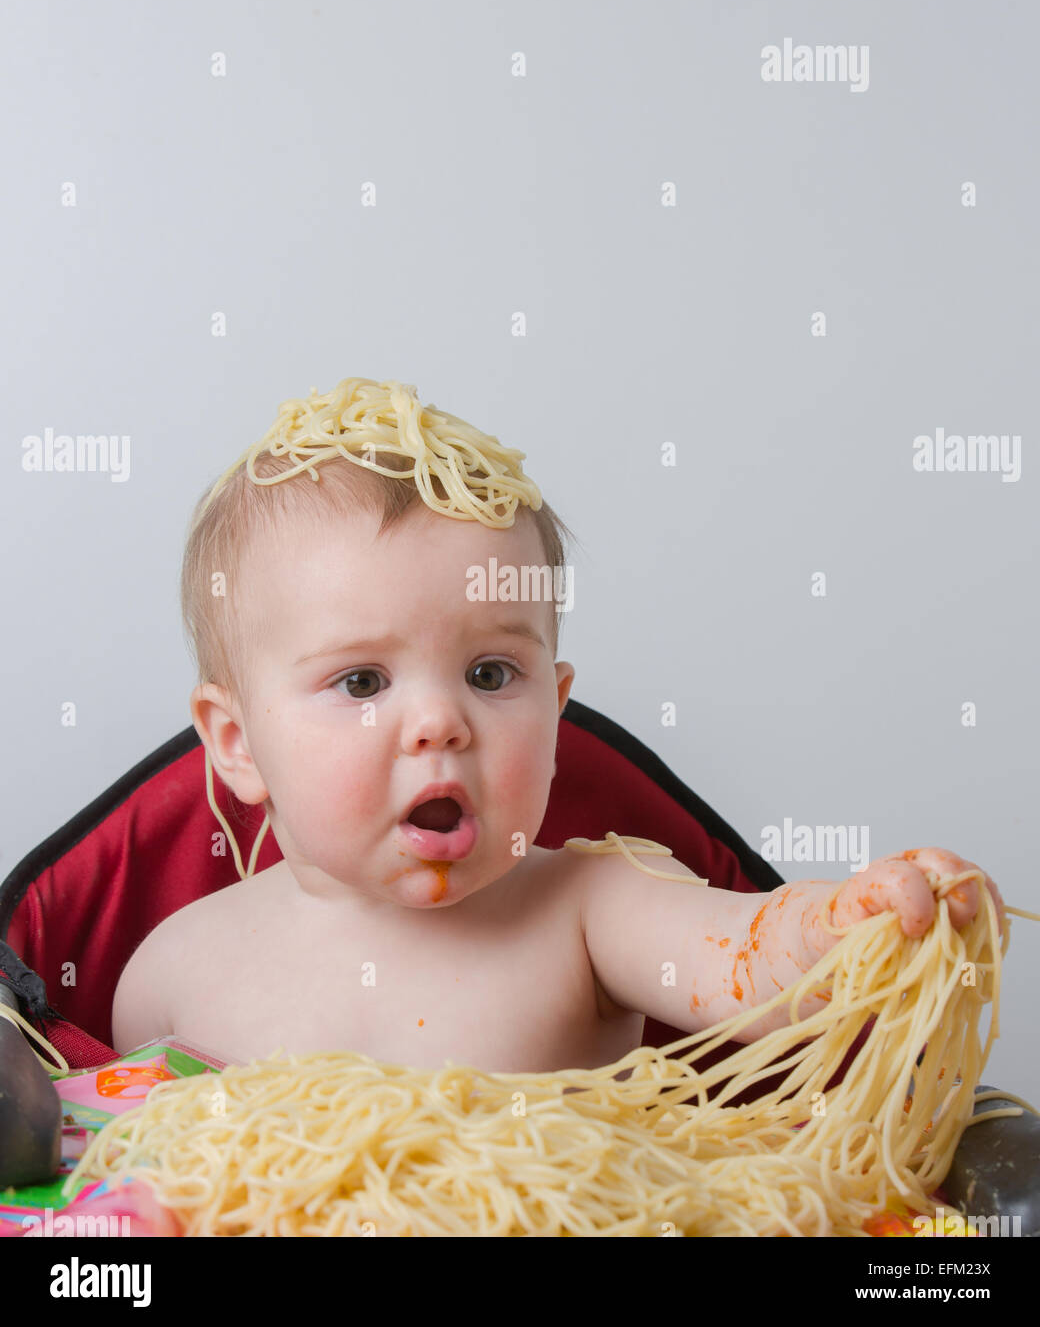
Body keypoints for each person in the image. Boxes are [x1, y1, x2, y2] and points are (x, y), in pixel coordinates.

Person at [112, 377, 1005, 1069]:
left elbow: (754, 964)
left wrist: (850, 928)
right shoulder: (175, 973)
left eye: (491, 673)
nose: (438, 723)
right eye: (362, 681)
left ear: (556, 703)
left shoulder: (590, 914)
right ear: (236, 743)